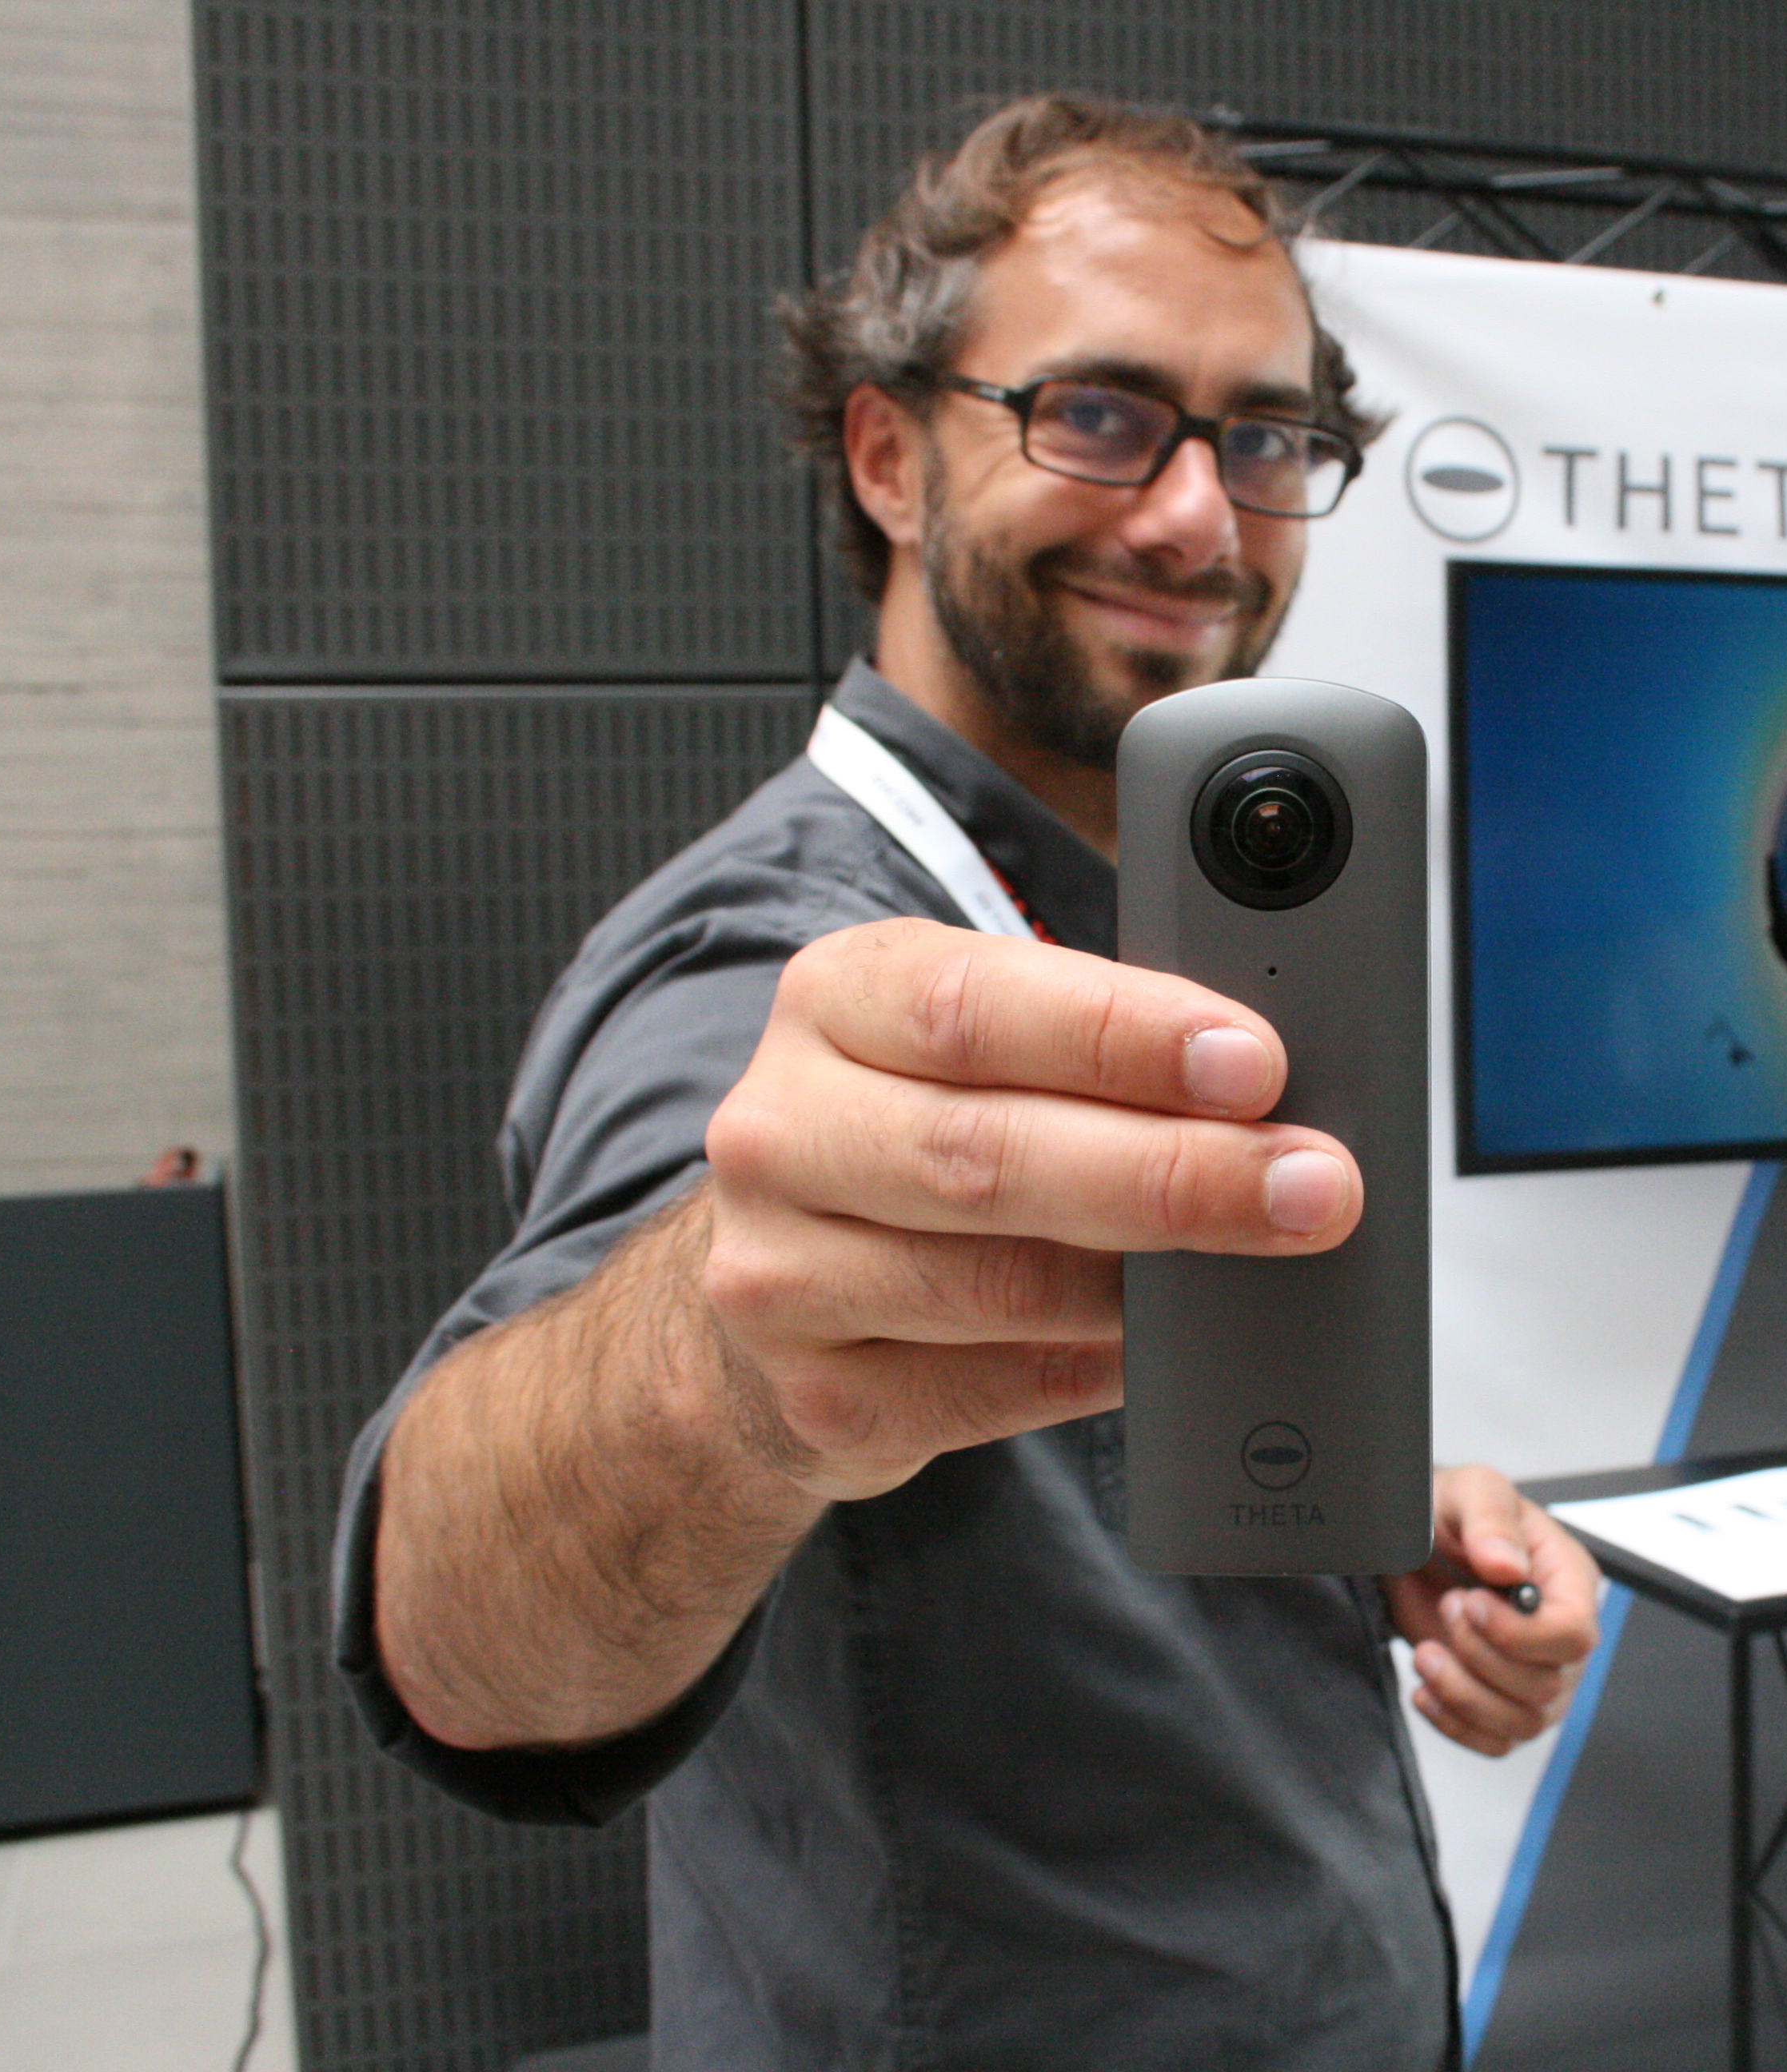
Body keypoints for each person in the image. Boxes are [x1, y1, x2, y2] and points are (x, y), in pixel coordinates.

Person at [333, 95, 1602, 2070]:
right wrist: (713, 1362)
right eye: (1097, 414)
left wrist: (1360, 1523)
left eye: (1265, 438)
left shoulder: (1157, 919)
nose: (1196, 519)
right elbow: (461, 1643)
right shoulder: (767, 962)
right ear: (888, 453)